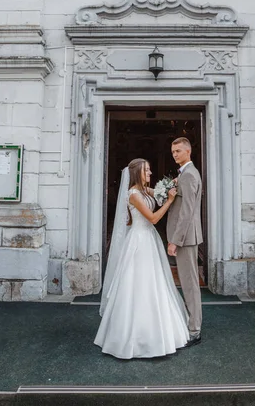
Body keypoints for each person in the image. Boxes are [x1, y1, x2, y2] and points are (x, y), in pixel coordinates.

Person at [94, 158, 189, 359]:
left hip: (150, 240)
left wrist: (174, 184)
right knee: (136, 284)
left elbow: (161, 193)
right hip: (138, 241)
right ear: (137, 173)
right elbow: (153, 218)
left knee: (154, 283)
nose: (150, 173)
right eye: (147, 171)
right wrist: (170, 201)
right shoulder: (134, 194)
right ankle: (132, 338)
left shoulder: (146, 191)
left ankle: (158, 331)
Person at [167, 137, 203, 347]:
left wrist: (175, 241)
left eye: (178, 151)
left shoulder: (189, 175)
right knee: (187, 283)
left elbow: (187, 212)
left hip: (186, 239)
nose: (175, 155)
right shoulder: (183, 174)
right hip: (185, 238)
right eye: (173, 152)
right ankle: (191, 324)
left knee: (190, 285)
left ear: (188, 152)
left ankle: (194, 331)